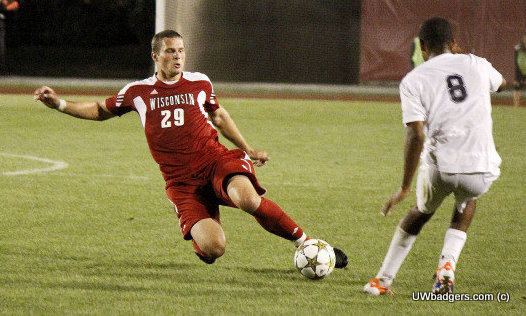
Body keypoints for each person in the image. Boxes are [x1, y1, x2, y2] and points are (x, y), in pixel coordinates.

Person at [33, 30, 348, 268]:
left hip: (216, 162)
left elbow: (219, 116)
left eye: (181, 51)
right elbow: (100, 110)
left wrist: (248, 149)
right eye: (171, 52)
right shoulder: (137, 91)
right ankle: (199, 230)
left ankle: (307, 243)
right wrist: (57, 104)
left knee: (248, 198)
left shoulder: (200, 82)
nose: (178, 56)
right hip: (182, 183)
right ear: (156, 56)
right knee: (213, 250)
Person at [363, 17, 506, 295]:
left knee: (420, 212)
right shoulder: (476, 63)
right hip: (481, 168)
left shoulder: (413, 80)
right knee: (467, 200)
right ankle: (445, 271)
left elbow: (416, 134)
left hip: (442, 168)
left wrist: (404, 186)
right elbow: (500, 83)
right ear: (454, 44)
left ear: (423, 47)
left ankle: (382, 281)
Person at [0, 0, 19, 73]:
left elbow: (15, 4)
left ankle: (3, 70)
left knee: (2, 48)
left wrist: (4, 8)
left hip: (3, 21)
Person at [513, 34, 526, 107]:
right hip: (519, 71)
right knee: (517, 87)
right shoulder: (518, 47)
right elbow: (516, 59)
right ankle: (516, 106)